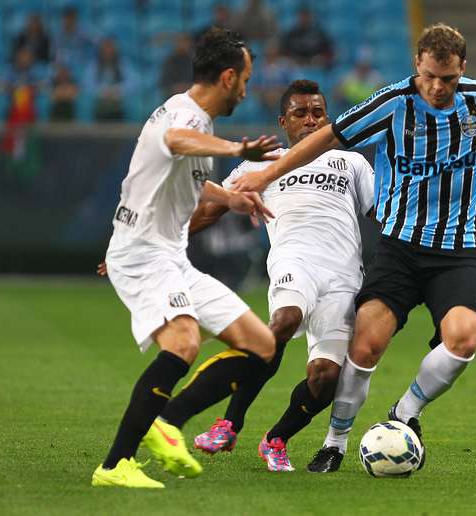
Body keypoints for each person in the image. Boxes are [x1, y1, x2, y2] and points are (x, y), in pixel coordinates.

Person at [231, 23, 476, 472]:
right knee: (364, 348)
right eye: (431, 75)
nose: (438, 87)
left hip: (459, 250)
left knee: (464, 339)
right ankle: (334, 442)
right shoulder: (391, 104)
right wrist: (264, 175)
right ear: (418, 65)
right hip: (398, 250)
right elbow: (329, 135)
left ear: (462, 69)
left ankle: (406, 412)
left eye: (448, 78)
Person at [91, 28, 281, 489]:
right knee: (183, 342)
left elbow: (186, 179)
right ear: (229, 76)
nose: (247, 89)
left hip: (170, 257)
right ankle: (115, 466)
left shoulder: (199, 121)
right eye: (247, 80)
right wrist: (237, 150)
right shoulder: (183, 115)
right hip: (143, 255)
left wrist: (230, 198)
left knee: (262, 345)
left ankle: (166, 421)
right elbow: (175, 140)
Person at [152, 79, 374, 472]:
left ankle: (276, 439)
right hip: (294, 263)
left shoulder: (352, 162)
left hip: (343, 278)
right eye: (300, 113)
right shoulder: (260, 163)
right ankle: (230, 422)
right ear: (283, 121)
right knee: (282, 323)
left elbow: (383, 214)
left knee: (325, 378)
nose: (310, 120)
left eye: (318, 113)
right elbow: (210, 211)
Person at [85, 38, 135, 121]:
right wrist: (103, 92)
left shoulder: (123, 65)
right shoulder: (93, 66)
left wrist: (116, 91)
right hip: (99, 101)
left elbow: (133, 83)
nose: (108, 53)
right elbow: (88, 85)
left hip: (119, 100)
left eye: (110, 49)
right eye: (105, 50)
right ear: (101, 52)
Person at [53, 6, 95, 70]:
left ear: (76, 20)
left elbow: (95, 46)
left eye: (72, 18)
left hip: (81, 67)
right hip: (62, 68)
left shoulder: (84, 35)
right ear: (63, 20)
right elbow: (55, 56)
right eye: (67, 18)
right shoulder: (57, 36)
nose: (69, 22)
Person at [159, 33, 194, 98]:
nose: (184, 44)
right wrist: (176, 88)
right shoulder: (170, 61)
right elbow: (164, 82)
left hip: (191, 97)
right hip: (173, 97)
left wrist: (188, 87)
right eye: (181, 42)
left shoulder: (194, 60)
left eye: (186, 42)